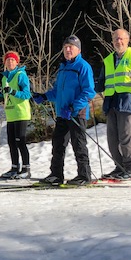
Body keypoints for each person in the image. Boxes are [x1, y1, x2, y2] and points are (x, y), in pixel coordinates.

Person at [32, 35, 96, 185]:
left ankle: (84, 175)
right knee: (58, 144)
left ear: (78, 50)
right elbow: (58, 92)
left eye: (71, 47)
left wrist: (74, 106)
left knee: (78, 144)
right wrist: (44, 96)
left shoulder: (83, 66)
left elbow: (89, 92)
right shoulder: (63, 67)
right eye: (65, 47)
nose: (67, 49)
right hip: (62, 113)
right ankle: (56, 174)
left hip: (76, 113)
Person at [95, 28, 131, 180]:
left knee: (126, 137)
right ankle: (119, 167)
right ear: (112, 42)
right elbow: (101, 83)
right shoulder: (108, 60)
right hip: (111, 102)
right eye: (115, 39)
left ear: (127, 40)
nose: (118, 41)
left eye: (121, 39)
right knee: (112, 139)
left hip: (127, 101)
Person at [0, 51, 32, 179]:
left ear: (17, 62)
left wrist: (12, 91)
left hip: (21, 113)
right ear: (4, 63)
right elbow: (5, 96)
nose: (10, 62)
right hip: (10, 114)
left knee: (20, 142)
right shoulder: (5, 78)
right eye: (8, 60)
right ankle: (14, 167)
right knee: (11, 142)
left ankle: (26, 169)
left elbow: (27, 94)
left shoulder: (20, 75)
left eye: (12, 60)